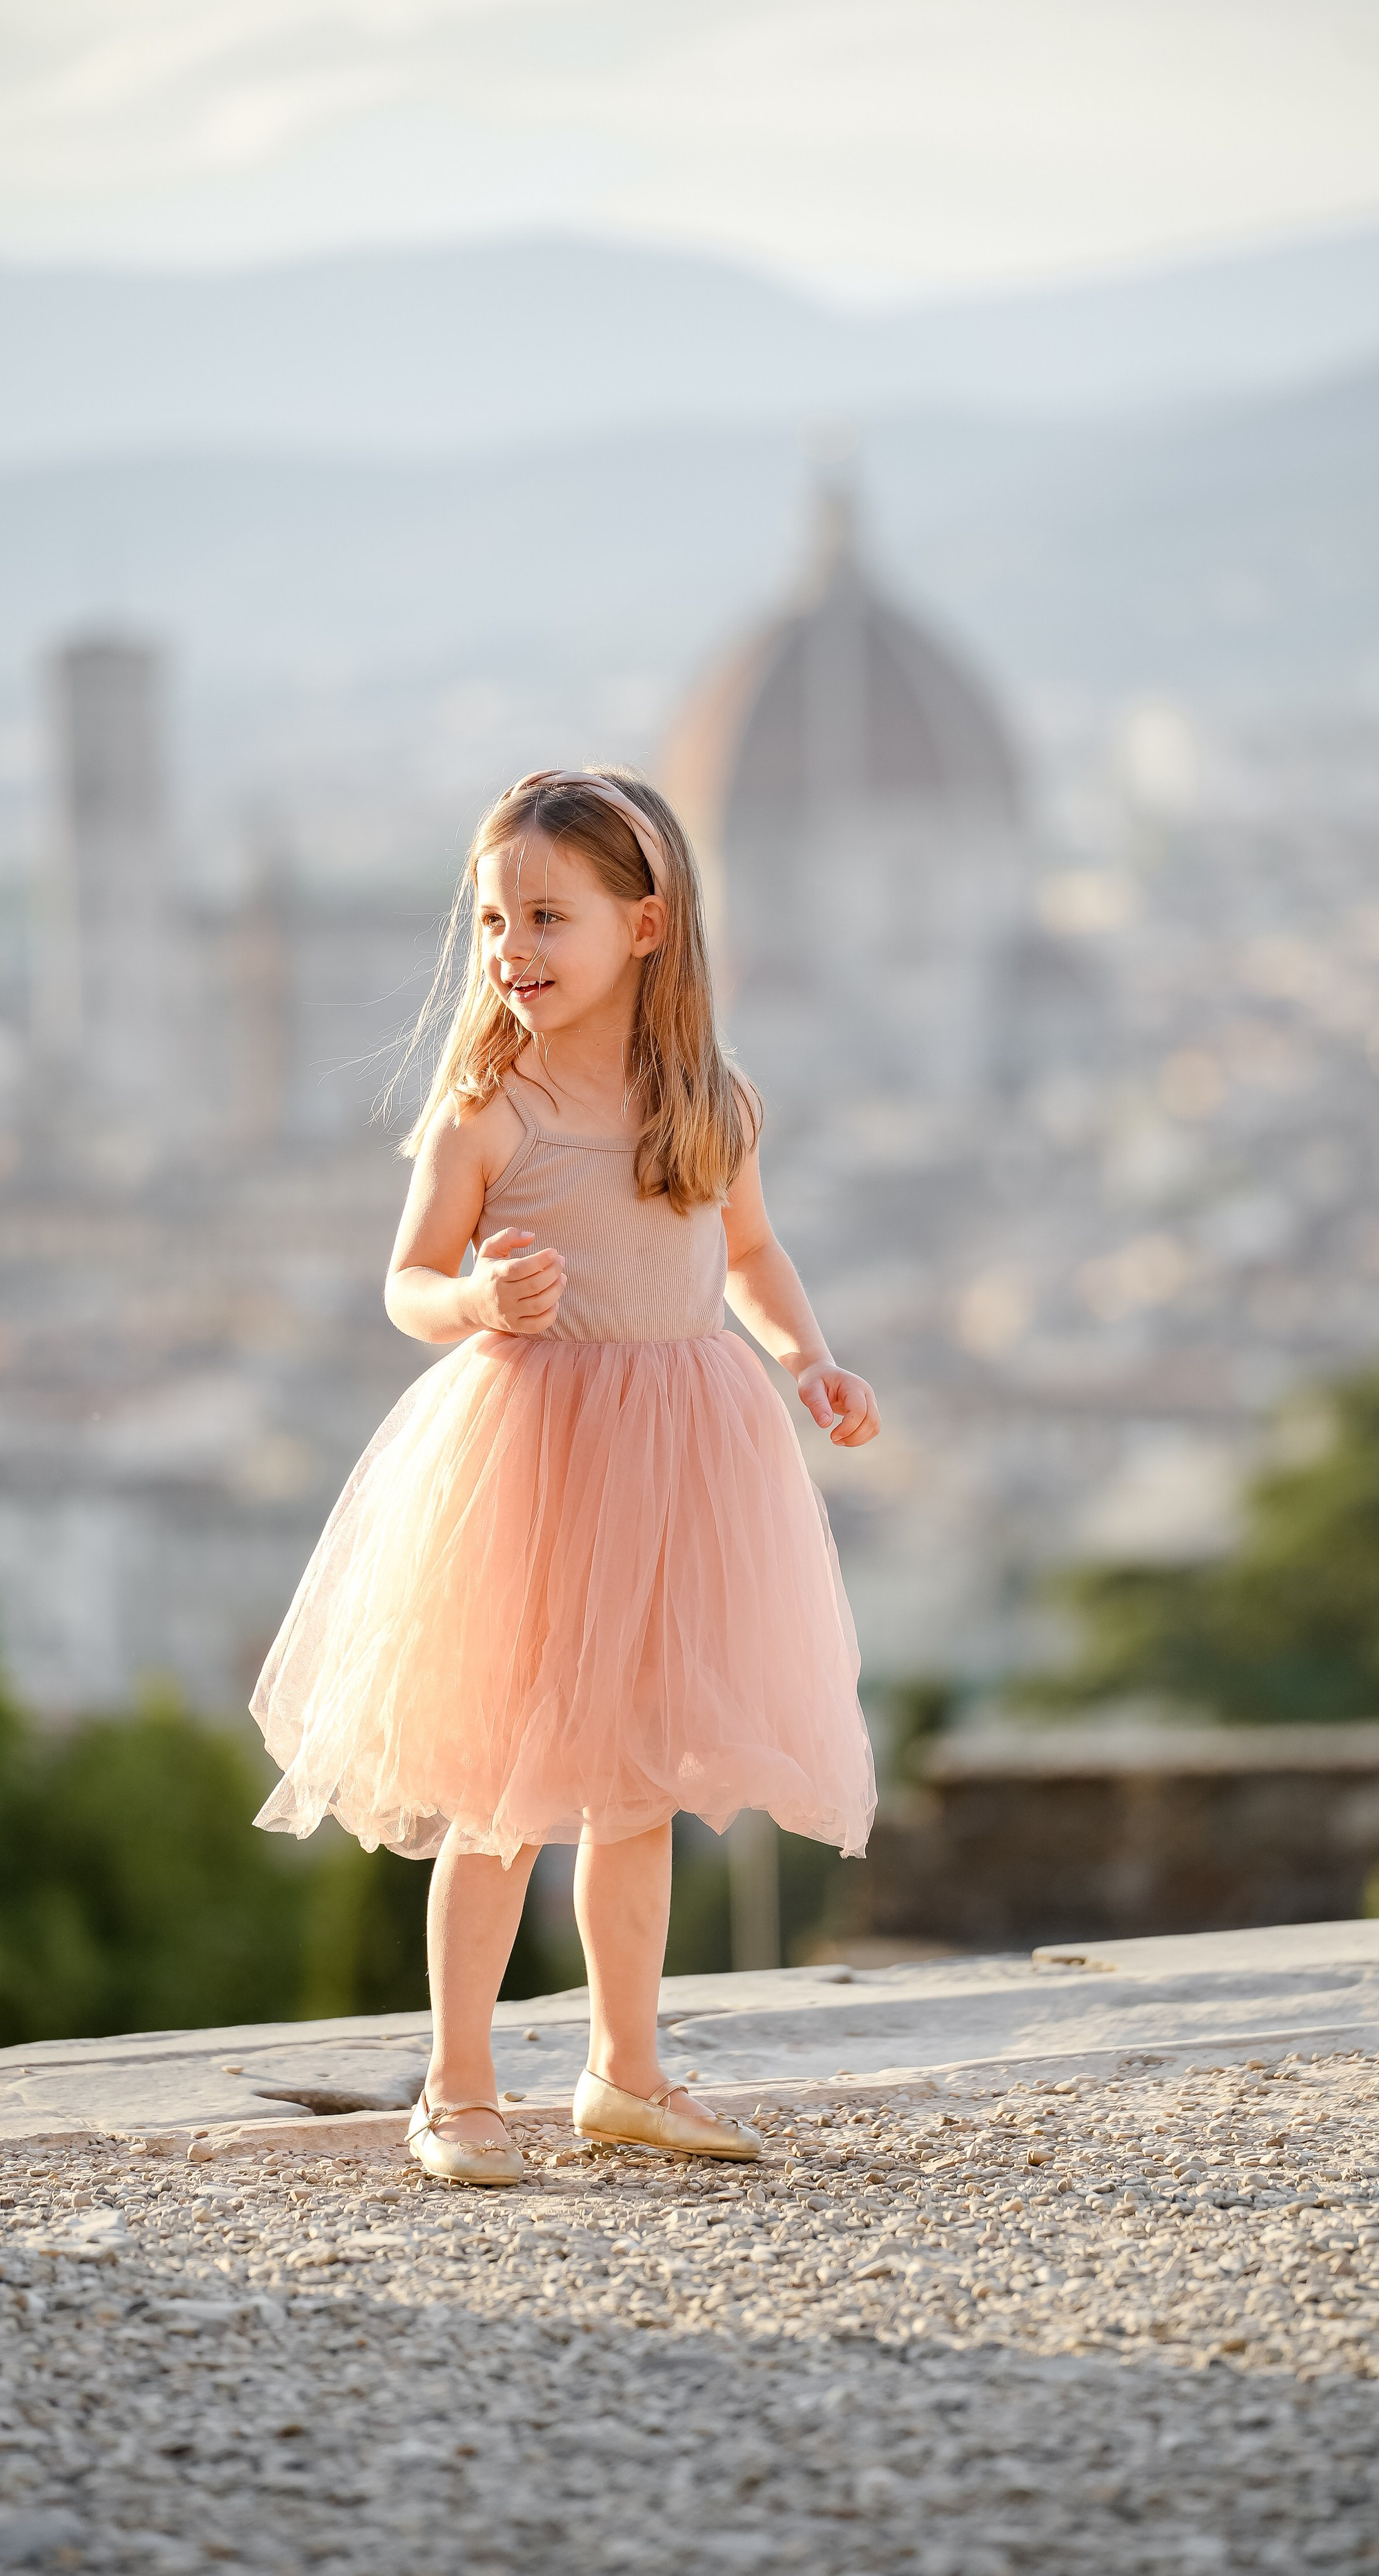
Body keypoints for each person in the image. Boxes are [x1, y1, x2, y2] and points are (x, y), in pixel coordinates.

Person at [250, 768, 878, 2185]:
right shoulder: (489, 1108)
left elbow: (752, 1255)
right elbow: (406, 1280)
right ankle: (456, 2090)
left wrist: (807, 1358)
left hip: (678, 1454)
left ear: (645, 928)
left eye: (546, 916)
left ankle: (626, 2071)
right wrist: (474, 1302)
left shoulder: (710, 1102)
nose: (509, 950)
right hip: (531, 1460)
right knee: (501, 1788)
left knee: (636, 1785)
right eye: (490, 921)